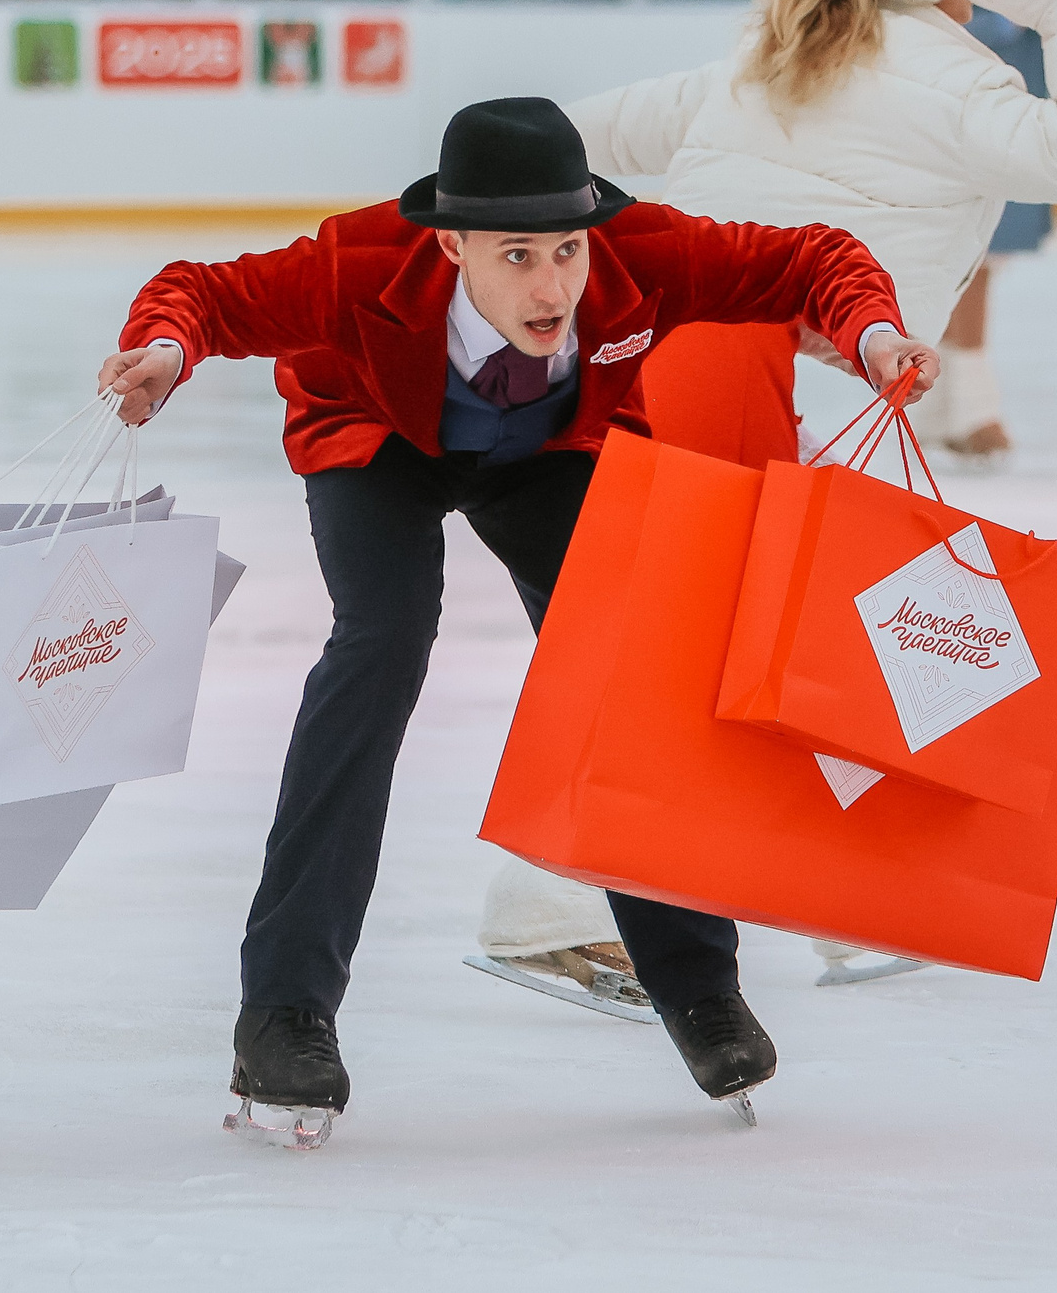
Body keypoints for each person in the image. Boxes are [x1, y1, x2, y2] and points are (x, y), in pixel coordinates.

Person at [99, 97, 936, 1144]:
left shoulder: (643, 258)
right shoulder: (356, 265)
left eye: (568, 251)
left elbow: (813, 260)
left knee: (629, 661)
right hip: (378, 442)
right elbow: (201, 295)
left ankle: (693, 981)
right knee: (380, 644)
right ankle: (284, 1010)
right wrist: (165, 352)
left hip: (548, 452)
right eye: (518, 255)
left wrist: (872, 330)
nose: (553, 285)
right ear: (449, 244)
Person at [472, 0, 1057, 995]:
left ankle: (819, 898)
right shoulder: (947, 76)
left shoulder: (768, 54)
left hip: (655, 346)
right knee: (712, 639)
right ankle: (549, 905)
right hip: (719, 361)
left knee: (737, 631)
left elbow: (580, 136)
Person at [913, 0, 1057, 461]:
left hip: (1020, 99)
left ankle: (947, 405)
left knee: (985, 257)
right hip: (957, 100)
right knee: (964, 253)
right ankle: (968, 406)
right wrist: (1017, 4)